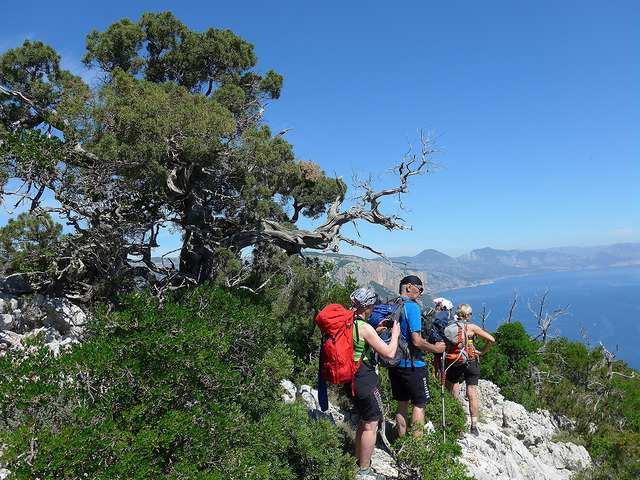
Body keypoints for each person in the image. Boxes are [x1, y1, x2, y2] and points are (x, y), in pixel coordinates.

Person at [349, 287, 401, 480]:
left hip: (350, 377)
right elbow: (388, 353)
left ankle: (357, 462)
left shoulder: (349, 321)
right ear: (368, 305)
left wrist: (376, 332)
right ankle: (364, 471)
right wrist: (394, 334)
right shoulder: (364, 327)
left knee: (363, 421)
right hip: (364, 378)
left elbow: (358, 343)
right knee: (371, 424)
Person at [388, 275, 445, 438]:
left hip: (394, 363)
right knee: (419, 405)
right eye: (419, 289)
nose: (420, 292)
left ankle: (401, 441)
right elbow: (417, 341)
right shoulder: (412, 307)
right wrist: (436, 349)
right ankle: (416, 449)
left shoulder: (392, 304)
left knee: (401, 405)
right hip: (413, 365)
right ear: (408, 287)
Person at [444, 303, 495, 436]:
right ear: (467, 315)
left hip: (455, 361)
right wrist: (482, 352)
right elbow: (491, 339)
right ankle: (473, 426)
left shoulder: (451, 326)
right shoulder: (471, 327)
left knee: (453, 389)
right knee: (471, 392)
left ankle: (454, 421)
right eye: (470, 313)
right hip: (471, 361)